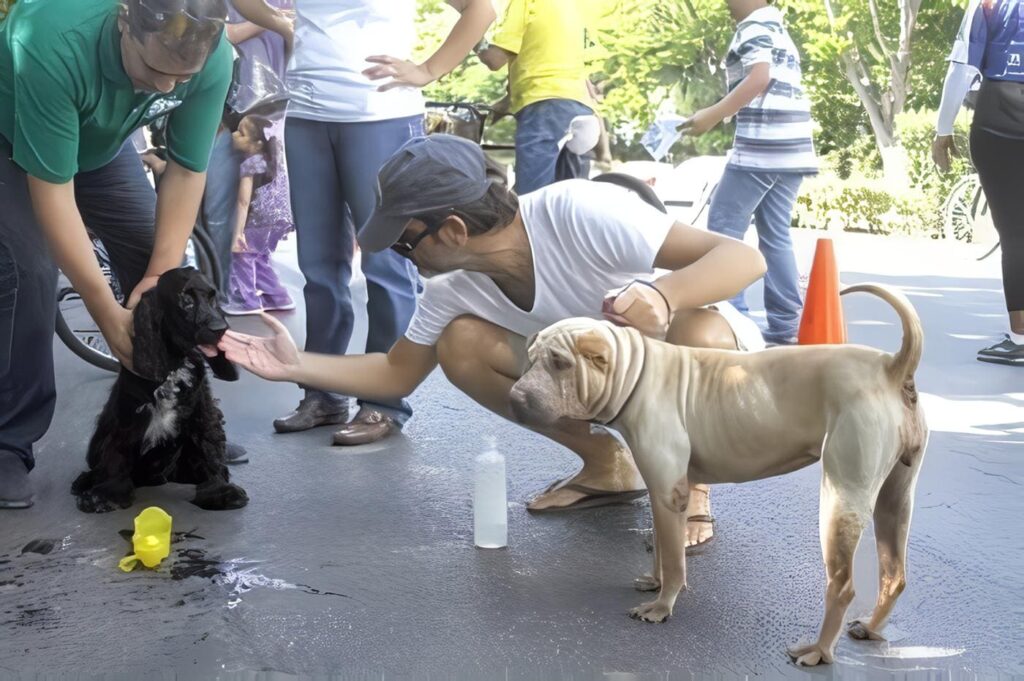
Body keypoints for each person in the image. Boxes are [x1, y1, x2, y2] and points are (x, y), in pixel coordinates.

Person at [219, 134, 768, 549]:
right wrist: (293, 365)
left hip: (689, 374)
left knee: (698, 329)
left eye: (405, 244)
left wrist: (664, 296)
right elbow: (395, 374)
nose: (401, 258)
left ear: (453, 230)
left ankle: (690, 485)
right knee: (460, 343)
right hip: (589, 380)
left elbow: (743, 258)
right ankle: (608, 465)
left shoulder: (577, 210)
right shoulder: (451, 289)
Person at [0, 0, 236, 508]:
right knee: (29, 272)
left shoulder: (215, 56)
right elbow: (54, 192)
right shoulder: (52, 39)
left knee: (162, 264)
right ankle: (9, 444)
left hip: (101, 146)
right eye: (155, 69)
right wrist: (106, 312)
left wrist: (158, 274)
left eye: (183, 78)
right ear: (125, 19)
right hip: (12, 139)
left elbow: (187, 170)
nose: (168, 88)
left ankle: (181, 428)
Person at [233, 0, 495, 445]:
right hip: (307, 113)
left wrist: (428, 70)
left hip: (380, 114)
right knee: (319, 266)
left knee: (387, 264)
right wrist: (280, 21)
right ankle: (321, 393)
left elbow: (480, 10)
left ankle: (383, 401)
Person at [682, 0, 818, 346]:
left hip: (762, 146)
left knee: (724, 227)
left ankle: (734, 321)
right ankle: (786, 327)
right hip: (792, 147)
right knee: (776, 234)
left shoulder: (753, 26)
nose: (725, 2)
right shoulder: (778, 28)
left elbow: (759, 78)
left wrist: (713, 114)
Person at [933, 0, 1024, 366]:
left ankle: (1021, 338)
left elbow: (962, 68)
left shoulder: (989, 4)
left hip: (1000, 124)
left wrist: (943, 130)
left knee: (1016, 235)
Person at [203, 0, 293, 297]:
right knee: (221, 204)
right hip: (226, 112)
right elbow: (219, 34)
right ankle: (224, 285)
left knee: (258, 206)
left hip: (271, 115)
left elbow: (294, 55)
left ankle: (250, 284)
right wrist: (270, 20)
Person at [476, 0, 597, 194]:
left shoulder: (523, 3)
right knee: (567, 200)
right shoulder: (571, 6)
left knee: (530, 199)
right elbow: (546, 60)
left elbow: (494, 59)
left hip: (545, 109)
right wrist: (506, 102)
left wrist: (472, 31)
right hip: (581, 107)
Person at [225, 115, 294, 315]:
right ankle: (279, 297)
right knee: (260, 257)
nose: (234, 135)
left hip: (256, 221)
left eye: (241, 133)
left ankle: (248, 301)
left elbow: (243, 201)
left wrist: (238, 232)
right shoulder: (274, 162)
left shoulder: (251, 164)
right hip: (276, 220)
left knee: (243, 257)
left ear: (256, 144)